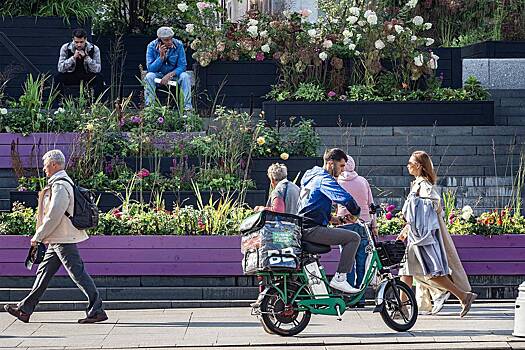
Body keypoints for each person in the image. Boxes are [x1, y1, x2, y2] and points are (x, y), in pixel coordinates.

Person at [3, 150, 107, 324]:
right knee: (44, 273)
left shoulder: (60, 185)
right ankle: (24, 310)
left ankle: (97, 310)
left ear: (54, 164)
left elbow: (54, 214)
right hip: (58, 238)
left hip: (62, 237)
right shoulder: (59, 183)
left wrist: (39, 235)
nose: (44, 168)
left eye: (46, 164)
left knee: (78, 273)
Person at [398, 150, 476, 317]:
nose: (408, 166)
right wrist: (406, 229)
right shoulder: (417, 184)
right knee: (406, 271)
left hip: (423, 238)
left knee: (431, 275)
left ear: (418, 165)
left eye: (410, 163)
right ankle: (401, 307)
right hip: (416, 237)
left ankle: (463, 296)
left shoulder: (424, 185)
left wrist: (419, 211)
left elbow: (436, 204)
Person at [297, 148, 362, 294]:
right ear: (331, 163)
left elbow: (311, 205)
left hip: (303, 226)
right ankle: (340, 278)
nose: (343, 170)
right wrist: (356, 213)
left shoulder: (311, 176)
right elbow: (345, 198)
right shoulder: (323, 179)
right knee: (353, 238)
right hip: (311, 229)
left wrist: (333, 219)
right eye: (341, 166)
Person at [336, 156, 377, 307]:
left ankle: (349, 296)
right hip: (363, 224)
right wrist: (374, 224)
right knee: (361, 261)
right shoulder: (363, 181)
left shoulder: (338, 182)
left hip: (345, 224)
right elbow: (371, 204)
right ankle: (361, 298)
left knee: (347, 262)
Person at [144, 26, 192, 110]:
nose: (170, 42)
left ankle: (187, 109)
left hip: (174, 75)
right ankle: (149, 108)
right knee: (149, 76)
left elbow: (182, 66)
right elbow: (150, 69)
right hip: (158, 75)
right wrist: (161, 57)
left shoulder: (178, 45)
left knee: (185, 76)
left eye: (171, 39)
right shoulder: (151, 46)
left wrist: (170, 74)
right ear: (160, 40)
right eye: (166, 40)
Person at [56, 28, 104, 97]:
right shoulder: (66, 48)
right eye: (76, 42)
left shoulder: (94, 48)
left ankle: (96, 103)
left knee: (99, 78)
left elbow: (97, 69)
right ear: (73, 40)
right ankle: (60, 103)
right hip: (71, 75)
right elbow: (60, 68)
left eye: (81, 42)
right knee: (58, 77)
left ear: (85, 39)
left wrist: (86, 57)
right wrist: (73, 58)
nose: (79, 45)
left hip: (87, 76)